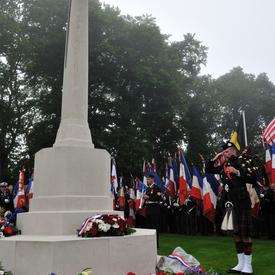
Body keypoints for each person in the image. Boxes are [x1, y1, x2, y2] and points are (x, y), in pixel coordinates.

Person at [206, 141, 255, 275]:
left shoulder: (241, 162)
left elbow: (253, 178)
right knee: (236, 234)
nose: (225, 153)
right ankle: (240, 264)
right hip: (229, 203)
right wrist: (214, 158)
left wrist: (238, 172)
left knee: (245, 234)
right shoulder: (223, 166)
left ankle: (248, 266)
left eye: (227, 151)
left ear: (234, 151)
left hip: (241, 202)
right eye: (224, 152)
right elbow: (208, 170)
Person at [143, 174, 162, 248]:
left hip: (154, 209)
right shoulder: (147, 189)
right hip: (148, 209)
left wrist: (149, 197)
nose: (147, 181)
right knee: (149, 227)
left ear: (152, 179)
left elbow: (158, 197)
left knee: (155, 227)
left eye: (148, 179)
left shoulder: (157, 188)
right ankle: (150, 243)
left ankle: (156, 244)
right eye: (147, 179)